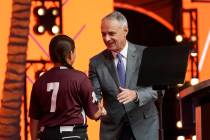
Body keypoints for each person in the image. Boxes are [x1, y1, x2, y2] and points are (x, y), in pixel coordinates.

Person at [88, 11, 159, 140]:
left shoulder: (145, 54)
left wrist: (136, 95)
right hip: (113, 131)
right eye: (103, 34)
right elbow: (95, 94)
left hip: (144, 127)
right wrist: (95, 106)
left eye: (111, 33)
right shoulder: (96, 62)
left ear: (125, 30)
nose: (106, 38)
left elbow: (158, 89)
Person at [29, 34, 103, 140]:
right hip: (74, 135)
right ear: (70, 54)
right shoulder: (80, 78)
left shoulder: (40, 81)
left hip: (47, 136)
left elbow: (34, 118)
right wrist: (101, 111)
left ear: (51, 55)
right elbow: (94, 114)